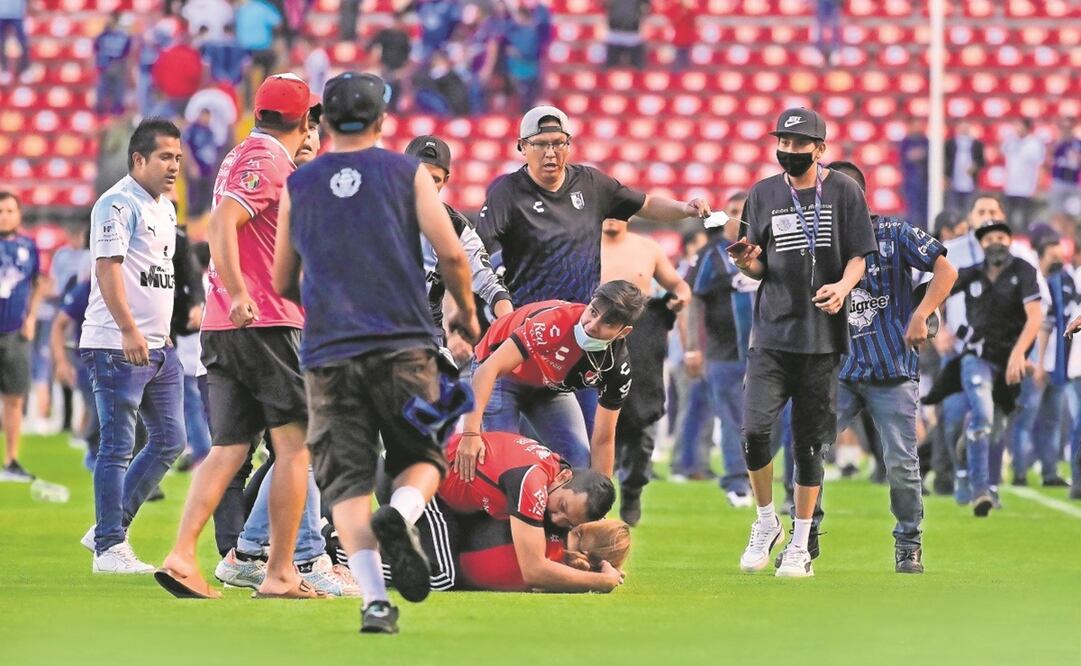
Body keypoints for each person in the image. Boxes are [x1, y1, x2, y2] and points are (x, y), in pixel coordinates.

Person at [272, 70, 480, 633]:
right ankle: (404, 514)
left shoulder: (300, 183)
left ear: (325, 121)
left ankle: (374, 602)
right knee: (423, 457)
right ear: (382, 121)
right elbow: (454, 256)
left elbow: (283, 278)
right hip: (404, 346)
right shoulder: (408, 173)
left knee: (346, 482)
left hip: (328, 354)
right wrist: (464, 307)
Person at [154, 74, 319, 600]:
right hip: (265, 321)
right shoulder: (268, 159)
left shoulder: (241, 154)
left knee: (227, 448)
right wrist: (241, 289)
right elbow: (223, 222)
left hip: (225, 328)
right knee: (296, 447)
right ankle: (280, 572)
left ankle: (182, 556)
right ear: (303, 120)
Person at [727, 108, 876, 578]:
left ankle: (801, 542)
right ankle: (766, 520)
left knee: (809, 446)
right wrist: (745, 263)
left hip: (822, 338)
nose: (788, 150)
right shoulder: (763, 193)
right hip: (771, 333)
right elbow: (757, 266)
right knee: (754, 433)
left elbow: (859, 256)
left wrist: (844, 287)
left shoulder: (845, 191)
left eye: (798, 143)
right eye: (783, 143)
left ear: (820, 148)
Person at [827, 160, 958, 573]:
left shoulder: (895, 233)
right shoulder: (819, 243)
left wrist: (922, 314)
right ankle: (802, 533)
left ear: (857, 196)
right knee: (808, 450)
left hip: (893, 369)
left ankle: (908, 541)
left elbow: (945, 269)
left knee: (901, 462)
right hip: (841, 370)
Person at [78, 119, 186, 572]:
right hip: (116, 343)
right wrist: (128, 329)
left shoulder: (166, 207)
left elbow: (156, 275)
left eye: (178, 158)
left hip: (159, 345)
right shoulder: (116, 204)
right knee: (118, 446)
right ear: (138, 159)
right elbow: (108, 269)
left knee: (171, 440)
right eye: (165, 157)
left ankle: (111, 521)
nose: (174, 166)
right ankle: (108, 548)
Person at [478, 105, 710, 309]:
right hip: (529, 318)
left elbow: (646, 203)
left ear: (569, 145)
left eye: (558, 143)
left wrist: (684, 208)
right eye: (540, 144)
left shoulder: (591, 183)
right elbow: (477, 252)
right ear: (522, 147)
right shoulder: (506, 193)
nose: (551, 153)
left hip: (583, 319)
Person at [459, 281, 647, 477]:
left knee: (579, 462)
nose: (592, 326)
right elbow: (489, 369)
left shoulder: (618, 367)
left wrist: (601, 503)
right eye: (593, 312)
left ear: (622, 333)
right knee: (507, 464)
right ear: (590, 302)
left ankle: (554, 506)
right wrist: (470, 433)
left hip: (548, 386)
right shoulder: (554, 323)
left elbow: (603, 440)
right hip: (502, 375)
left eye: (607, 323)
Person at [438, 431, 622, 592]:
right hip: (430, 483)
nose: (556, 519)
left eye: (568, 523)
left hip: (455, 499)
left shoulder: (556, 472)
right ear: (564, 477)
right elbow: (534, 571)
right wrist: (601, 581)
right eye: (562, 506)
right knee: (443, 576)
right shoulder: (531, 482)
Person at [949, 219, 1043, 516]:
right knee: (984, 417)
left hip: (1010, 362)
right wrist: (933, 323)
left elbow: (1035, 317)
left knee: (999, 426)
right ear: (981, 244)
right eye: (989, 238)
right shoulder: (970, 274)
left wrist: (1019, 354)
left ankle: (984, 476)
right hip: (976, 357)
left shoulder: (1024, 271)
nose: (996, 242)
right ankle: (980, 492)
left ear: (1010, 240)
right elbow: (938, 291)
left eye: (1002, 236)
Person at [599, 217, 690, 524]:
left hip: (642, 340)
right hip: (592, 339)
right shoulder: (581, 243)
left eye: (619, 210)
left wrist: (680, 297)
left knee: (641, 424)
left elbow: (677, 285)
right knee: (593, 424)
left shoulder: (647, 248)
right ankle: (595, 497)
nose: (612, 216)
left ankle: (633, 489)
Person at [682, 192, 755, 507]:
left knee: (778, 421)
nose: (740, 217)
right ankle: (737, 482)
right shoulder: (711, 255)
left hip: (770, 351)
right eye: (735, 211)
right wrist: (693, 347)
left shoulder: (771, 249)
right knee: (731, 418)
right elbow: (693, 299)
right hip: (725, 353)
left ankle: (786, 483)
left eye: (746, 210)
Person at [403, 135, 512, 344]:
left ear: (446, 181)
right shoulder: (375, 213)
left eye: (434, 179)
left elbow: (490, 285)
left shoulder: (457, 227)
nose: (425, 185)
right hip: (371, 332)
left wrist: (509, 324)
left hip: (425, 339)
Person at [0, 191, 45, 482]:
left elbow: (39, 282)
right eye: (1, 211)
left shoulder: (29, 246)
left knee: (14, 397)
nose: (5, 216)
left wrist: (31, 315)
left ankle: (11, 459)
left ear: (19, 214)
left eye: (9, 210)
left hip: (15, 331)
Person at [1024, 237, 1073, 487]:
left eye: (1060, 255)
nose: (1058, 260)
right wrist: (1039, 362)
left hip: (1060, 363)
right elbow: (1043, 325)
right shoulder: (1033, 281)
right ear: (1040, 256)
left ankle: (1049, 471)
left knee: (1053, 421)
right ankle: (1020, 473)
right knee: (1026, 418)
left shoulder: (1063, 281)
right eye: (1053, 255)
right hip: (1035, 361)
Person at [1001, 118, 1046, 232]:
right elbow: (1001, 153)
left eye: (1020, 126)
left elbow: (1039, 166)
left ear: (1027, 127)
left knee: (1024, 218)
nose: (1017, 129)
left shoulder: (1034, 144)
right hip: (1010, 186)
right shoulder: (1010, 141)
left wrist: (1037, 186)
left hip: (1026, 187)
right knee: (1009, 216)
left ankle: (1024, 240)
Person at [93, 12, 133, 116]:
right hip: (105, 64)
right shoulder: (103, 35)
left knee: (118, 87)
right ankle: (101, 107)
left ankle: (117, 107)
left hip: (117, 64)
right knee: (103, 87)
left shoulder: (123, 35)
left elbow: (127, 53)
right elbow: (96, 49)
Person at [944, 120, 986, 217]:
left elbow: (981, 161)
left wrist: (975, 166)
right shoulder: (950, 144)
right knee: (953, 210)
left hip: (970, 182)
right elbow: (944, 161)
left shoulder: (976, 144)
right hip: (953, 182)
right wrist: (946, 176)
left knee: (969, 210)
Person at [899, 118, 929, 230]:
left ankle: (925, 230)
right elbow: (906, 156)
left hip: (925, 180)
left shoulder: (925, 141)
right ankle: (910, 230)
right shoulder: (906, 141)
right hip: (911, 180)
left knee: (924, 208)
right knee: (912, 208)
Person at [1049, 118, 1080, 220]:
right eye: (1063, 128)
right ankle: (1060, 236)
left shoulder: (1077, 143)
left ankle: (1069, 236)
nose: (1065, 130)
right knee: (1057, 213)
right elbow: (1048, 158)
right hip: (1058, 181)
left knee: (1071, 215)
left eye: (1068, 127)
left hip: (1072, 182)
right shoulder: (1055, 143)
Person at [604, 0, 650, 69]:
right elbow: (605, 6)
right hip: (614, 32)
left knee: (637, 66)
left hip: (633, 33)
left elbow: (646, 8)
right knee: (610, 66)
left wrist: (641, 21)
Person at [0, 0, 30, 80]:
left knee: (23, 42)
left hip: (17, 13)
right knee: (1, 42)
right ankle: (4, 69)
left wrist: (25, 8)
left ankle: (24, 69)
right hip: (2, 13)